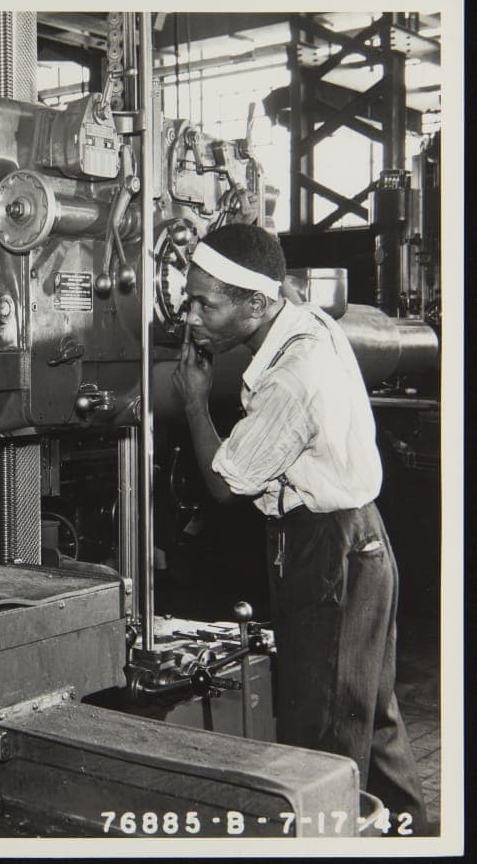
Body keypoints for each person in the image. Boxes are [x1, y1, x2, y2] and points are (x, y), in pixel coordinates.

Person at [171, 222, 426, 830]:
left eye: (207, 303)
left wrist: (193, 401)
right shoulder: (307, 323)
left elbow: (225, 483)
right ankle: (417, 834)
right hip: (360, 540)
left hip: (328, 550)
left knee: (324, 736)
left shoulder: (291, 377)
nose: (192, 316)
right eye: (190, 297)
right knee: (370, 716)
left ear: (256, 304)